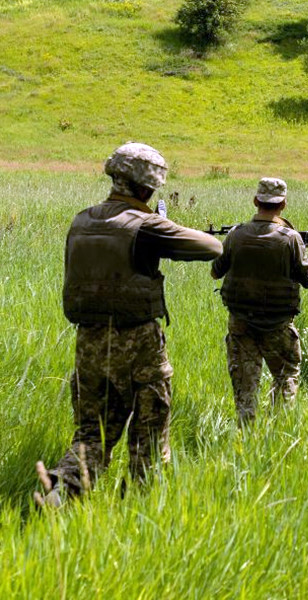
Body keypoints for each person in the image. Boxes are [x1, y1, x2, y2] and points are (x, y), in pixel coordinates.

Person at [35, 142, 222, 507]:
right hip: (140, 347)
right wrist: (163, 224)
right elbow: (212, 247)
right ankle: (136, 512)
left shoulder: (81, 221)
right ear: (146, 188)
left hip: (89, 344)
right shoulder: (145, 226)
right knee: (149, 439)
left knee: (91, 436)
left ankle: (59, 496)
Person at [211, 178, 308, 427]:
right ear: (283, 204)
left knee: (245, 385)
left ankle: (245, 434)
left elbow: (216, 271)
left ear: (256, 201)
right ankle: (280, 431)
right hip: (278, 324)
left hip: (241, 324)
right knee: (286, 376)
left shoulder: (236, 235)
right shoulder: (291, 239)